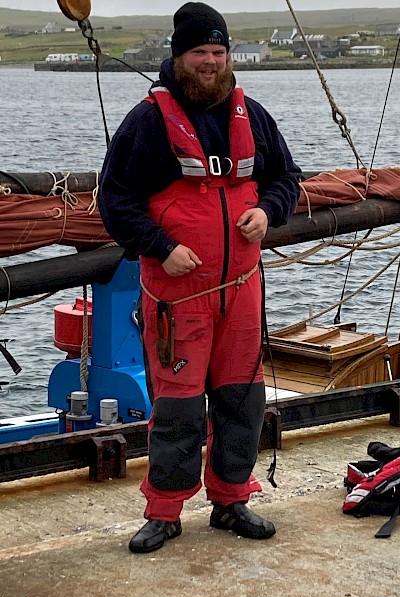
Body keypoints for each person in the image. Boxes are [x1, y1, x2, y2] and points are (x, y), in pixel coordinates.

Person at [99, 2, 302, 554]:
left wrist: (270, 213)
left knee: (242, 399)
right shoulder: (146, 122)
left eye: (219, 52)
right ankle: (164, 512)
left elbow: (286, 175)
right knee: (179, 406)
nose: (210, 63)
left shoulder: (252, 115)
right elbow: (115, 201)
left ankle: (232, 500)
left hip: (241, 288)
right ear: (179, 58)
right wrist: (162, 249)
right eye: (200, 53)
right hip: (177, 295)